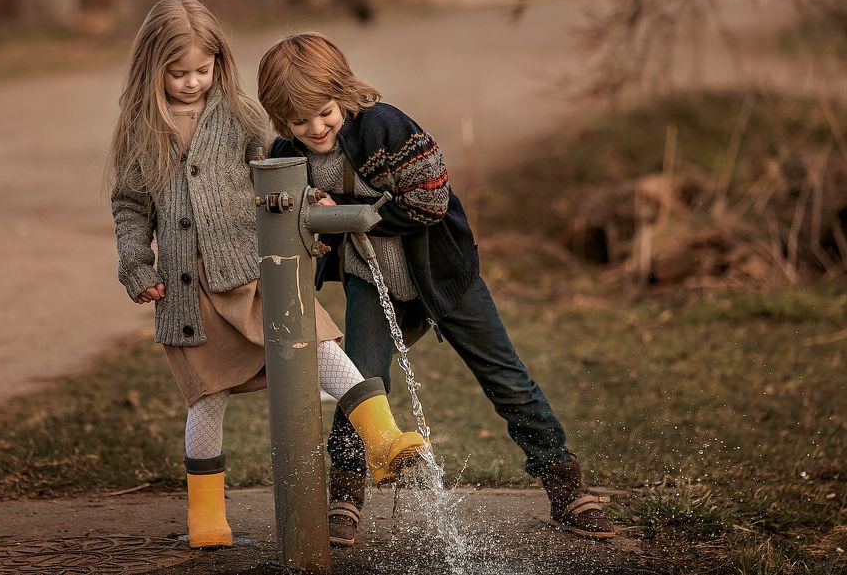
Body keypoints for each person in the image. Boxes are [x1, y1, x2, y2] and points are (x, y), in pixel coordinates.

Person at [258, 32, 616, 545]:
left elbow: (430, 200)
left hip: (443, 275)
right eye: (299, 121)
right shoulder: (288, 156)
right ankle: (344, 495)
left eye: (325, 113)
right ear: (280, 119)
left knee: (506, 376)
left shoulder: (386, 127)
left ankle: (566, 486)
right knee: (362, 385)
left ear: (342, 92)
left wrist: (347, 212)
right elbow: (298, 229)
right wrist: (316, 224)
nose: (315, 129)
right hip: (371, 280)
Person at [105, 0, 426, 550]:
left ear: (219, 63)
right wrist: (136, 265)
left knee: (320, 344)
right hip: (189, 292)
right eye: (177, 73)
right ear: (151, 70)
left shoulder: (237, 114)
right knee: (206, 397)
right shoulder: (142, 131)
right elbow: (130, 206)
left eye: (202, 71)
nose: (190, 83)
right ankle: (207, 516)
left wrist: (310, 204)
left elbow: (281, 165)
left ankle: (382, 440)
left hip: (257, 273)